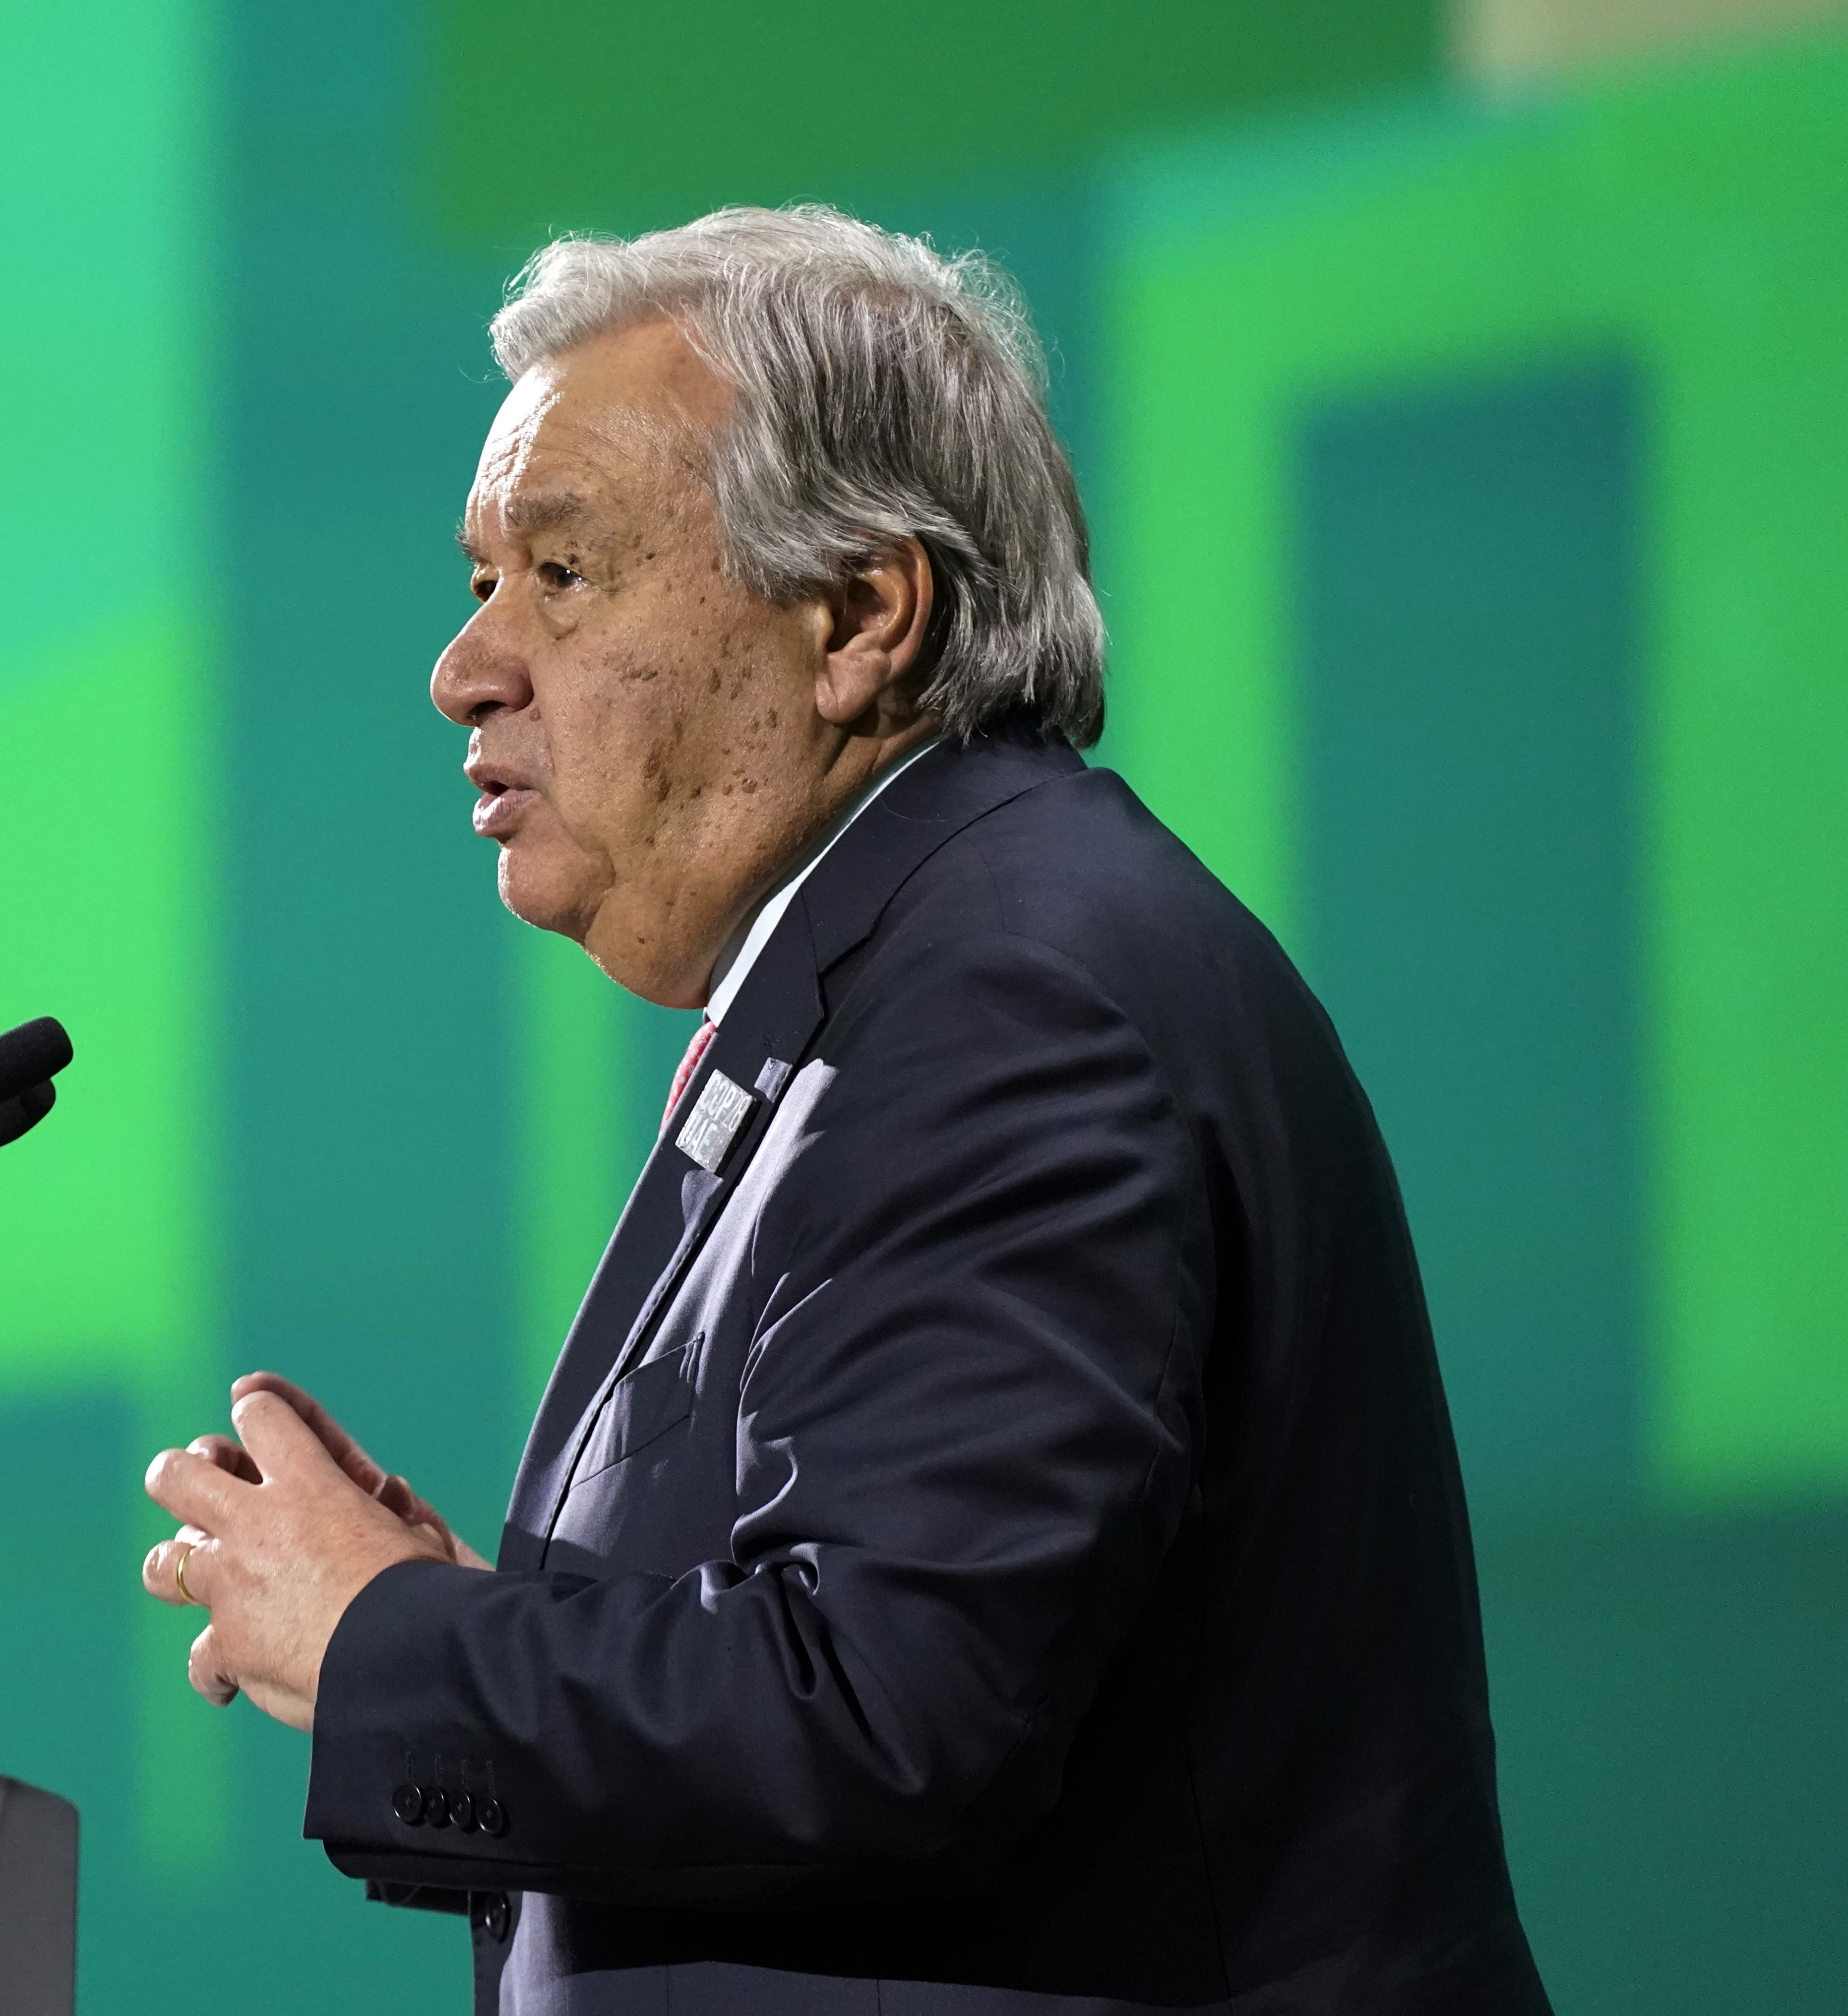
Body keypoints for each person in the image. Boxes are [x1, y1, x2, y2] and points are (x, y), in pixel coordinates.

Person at [138, 206, 1547, 2015]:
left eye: (561, 574)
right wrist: (468, 1637)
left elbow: (890, 1711)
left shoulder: (1008, 1000)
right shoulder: (924, 968)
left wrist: (389, 1644)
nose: (466, 668)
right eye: (482, 580)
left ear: (861, 616)